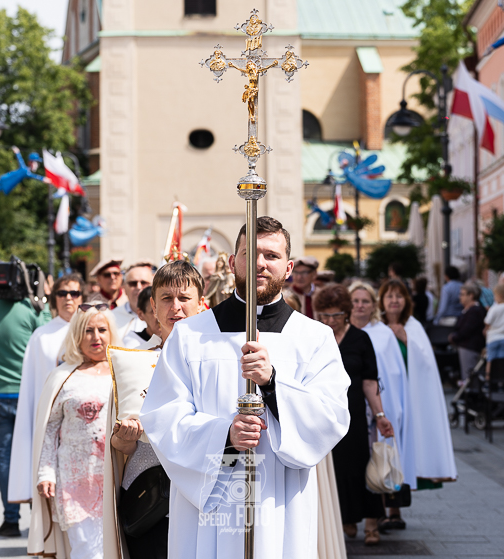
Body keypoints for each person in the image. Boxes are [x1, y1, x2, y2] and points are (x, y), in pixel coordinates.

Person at [140, 216, 351, 559]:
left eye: (271, 255)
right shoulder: (190, 335)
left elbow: (331, 417)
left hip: (281, 503)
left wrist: (273, 383)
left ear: (288, 267)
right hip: (208, 507)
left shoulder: (314, 338)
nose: (259, 263)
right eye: (249, 253)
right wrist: (225, 434)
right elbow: (163, 416)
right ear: (231, 261)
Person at [108, 260, 206, 558]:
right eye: (166, 298)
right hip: (148, 494)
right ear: (153, 305)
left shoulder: (220, 364)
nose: (175, 307)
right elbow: (117, 444)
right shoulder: (133, 363)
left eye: (184, 298)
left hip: (201, 494)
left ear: (202, 304)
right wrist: (125, 437)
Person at [28, 305, 120, 559]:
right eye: (88, 330)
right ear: (77, 335)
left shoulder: (121, 373)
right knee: (86, 552)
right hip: (74, 481)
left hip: (116, 480)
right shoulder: (62, 376)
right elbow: (49, 429)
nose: (96, 337)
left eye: (102, 330)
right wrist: (46, 472)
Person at [0, 259, 51, 537]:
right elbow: (49, 333)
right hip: (30, 393)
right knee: (37, 455)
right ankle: (38, 517)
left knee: (4, 457)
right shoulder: (29, 309)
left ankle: (9, 519)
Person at [313, 283, 392, 546]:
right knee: (336, 470)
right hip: (325, 416)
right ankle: (345, 519)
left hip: (355, 415)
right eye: (324, 315)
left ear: (346, 313)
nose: (329, 321)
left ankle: (371, 523)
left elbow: (370, 381)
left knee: (361, 467)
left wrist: (380, 414)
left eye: (335, 315)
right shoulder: (315, 338)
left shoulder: (360, 339)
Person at [377, 279, 457, 524]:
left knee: (401, 453)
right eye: (389, 296)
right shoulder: (374, 326)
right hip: (382, 400)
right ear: (381, 301)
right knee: (382, 451)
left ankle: (395, 511)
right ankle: (377, 511)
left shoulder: (413, 327)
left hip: (409, 402)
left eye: (399, 296)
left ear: (406, 301)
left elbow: (426, 365)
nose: (394, 301)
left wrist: (405, 340)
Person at [8, 272, 85, 504]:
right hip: (52, 419)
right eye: (62, 293)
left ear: (82, 297)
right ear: (54, 299)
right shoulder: (41, 336)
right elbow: (33, 386)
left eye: (74, 293)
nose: (68, 298)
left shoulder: (94, 331)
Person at [348, 282, 415, 512]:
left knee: (383, 454)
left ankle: (390, 508)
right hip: (355, 405)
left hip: (382, 402)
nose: (359, 305)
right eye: (355, 301)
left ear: (374, 305)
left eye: (365, 301)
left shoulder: (383, 333)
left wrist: (389, 406)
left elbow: (394, 371)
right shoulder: (341, 332)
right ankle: (364, 511)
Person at [449, 282, 486, 383]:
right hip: (465, 345)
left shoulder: (475, 311)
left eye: (462, 294)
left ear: (471, 295)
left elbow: (466, 330)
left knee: (469, 377)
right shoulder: (467, 310)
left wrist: (454, 337)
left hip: (470, 346)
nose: (459, 297)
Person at [112, 260, 154, 340]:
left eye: (144, 283)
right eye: (133, 283)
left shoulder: (161, 316)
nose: (138, 287)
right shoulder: (112, 317)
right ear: (124, 287)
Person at [483, 284, 504, 369]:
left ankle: (489, 379)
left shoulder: (494, 308)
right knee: (502, 361)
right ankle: (501, 378)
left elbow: (487, 322)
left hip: (493, 338)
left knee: (490, 360)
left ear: (499, 296)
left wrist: (485, 330)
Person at [121, 285, 163, 350]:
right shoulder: (132, 343)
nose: (161, 316)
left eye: (163, 309)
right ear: (140, 314)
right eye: (154, 311)